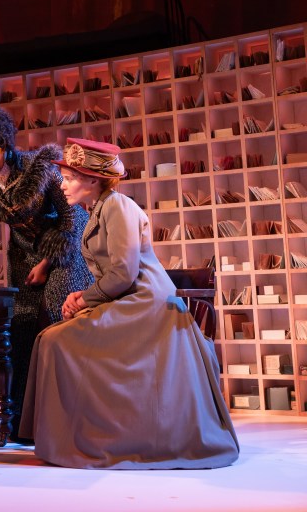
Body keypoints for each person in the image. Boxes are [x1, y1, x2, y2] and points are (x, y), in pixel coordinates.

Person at [19, 138, 239, 469]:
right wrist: (83, 298)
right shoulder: (99, 209)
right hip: (128, 298)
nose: (62, 185)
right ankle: (82, 434)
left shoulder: (117, 206)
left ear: (93, 179)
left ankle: (85, 436)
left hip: (146, 303)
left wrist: (83, 299)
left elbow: (123, 273)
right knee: (52, 338)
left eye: (69, 178)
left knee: (56, 341)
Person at [0, 104, 92, 442]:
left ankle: (70, 417)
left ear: (5, 146)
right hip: (25, 252)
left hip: (64, 246)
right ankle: (25, 423)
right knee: (20, 327)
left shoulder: (38, 169)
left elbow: (71, 218)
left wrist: (47, 262)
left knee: (59, 319)